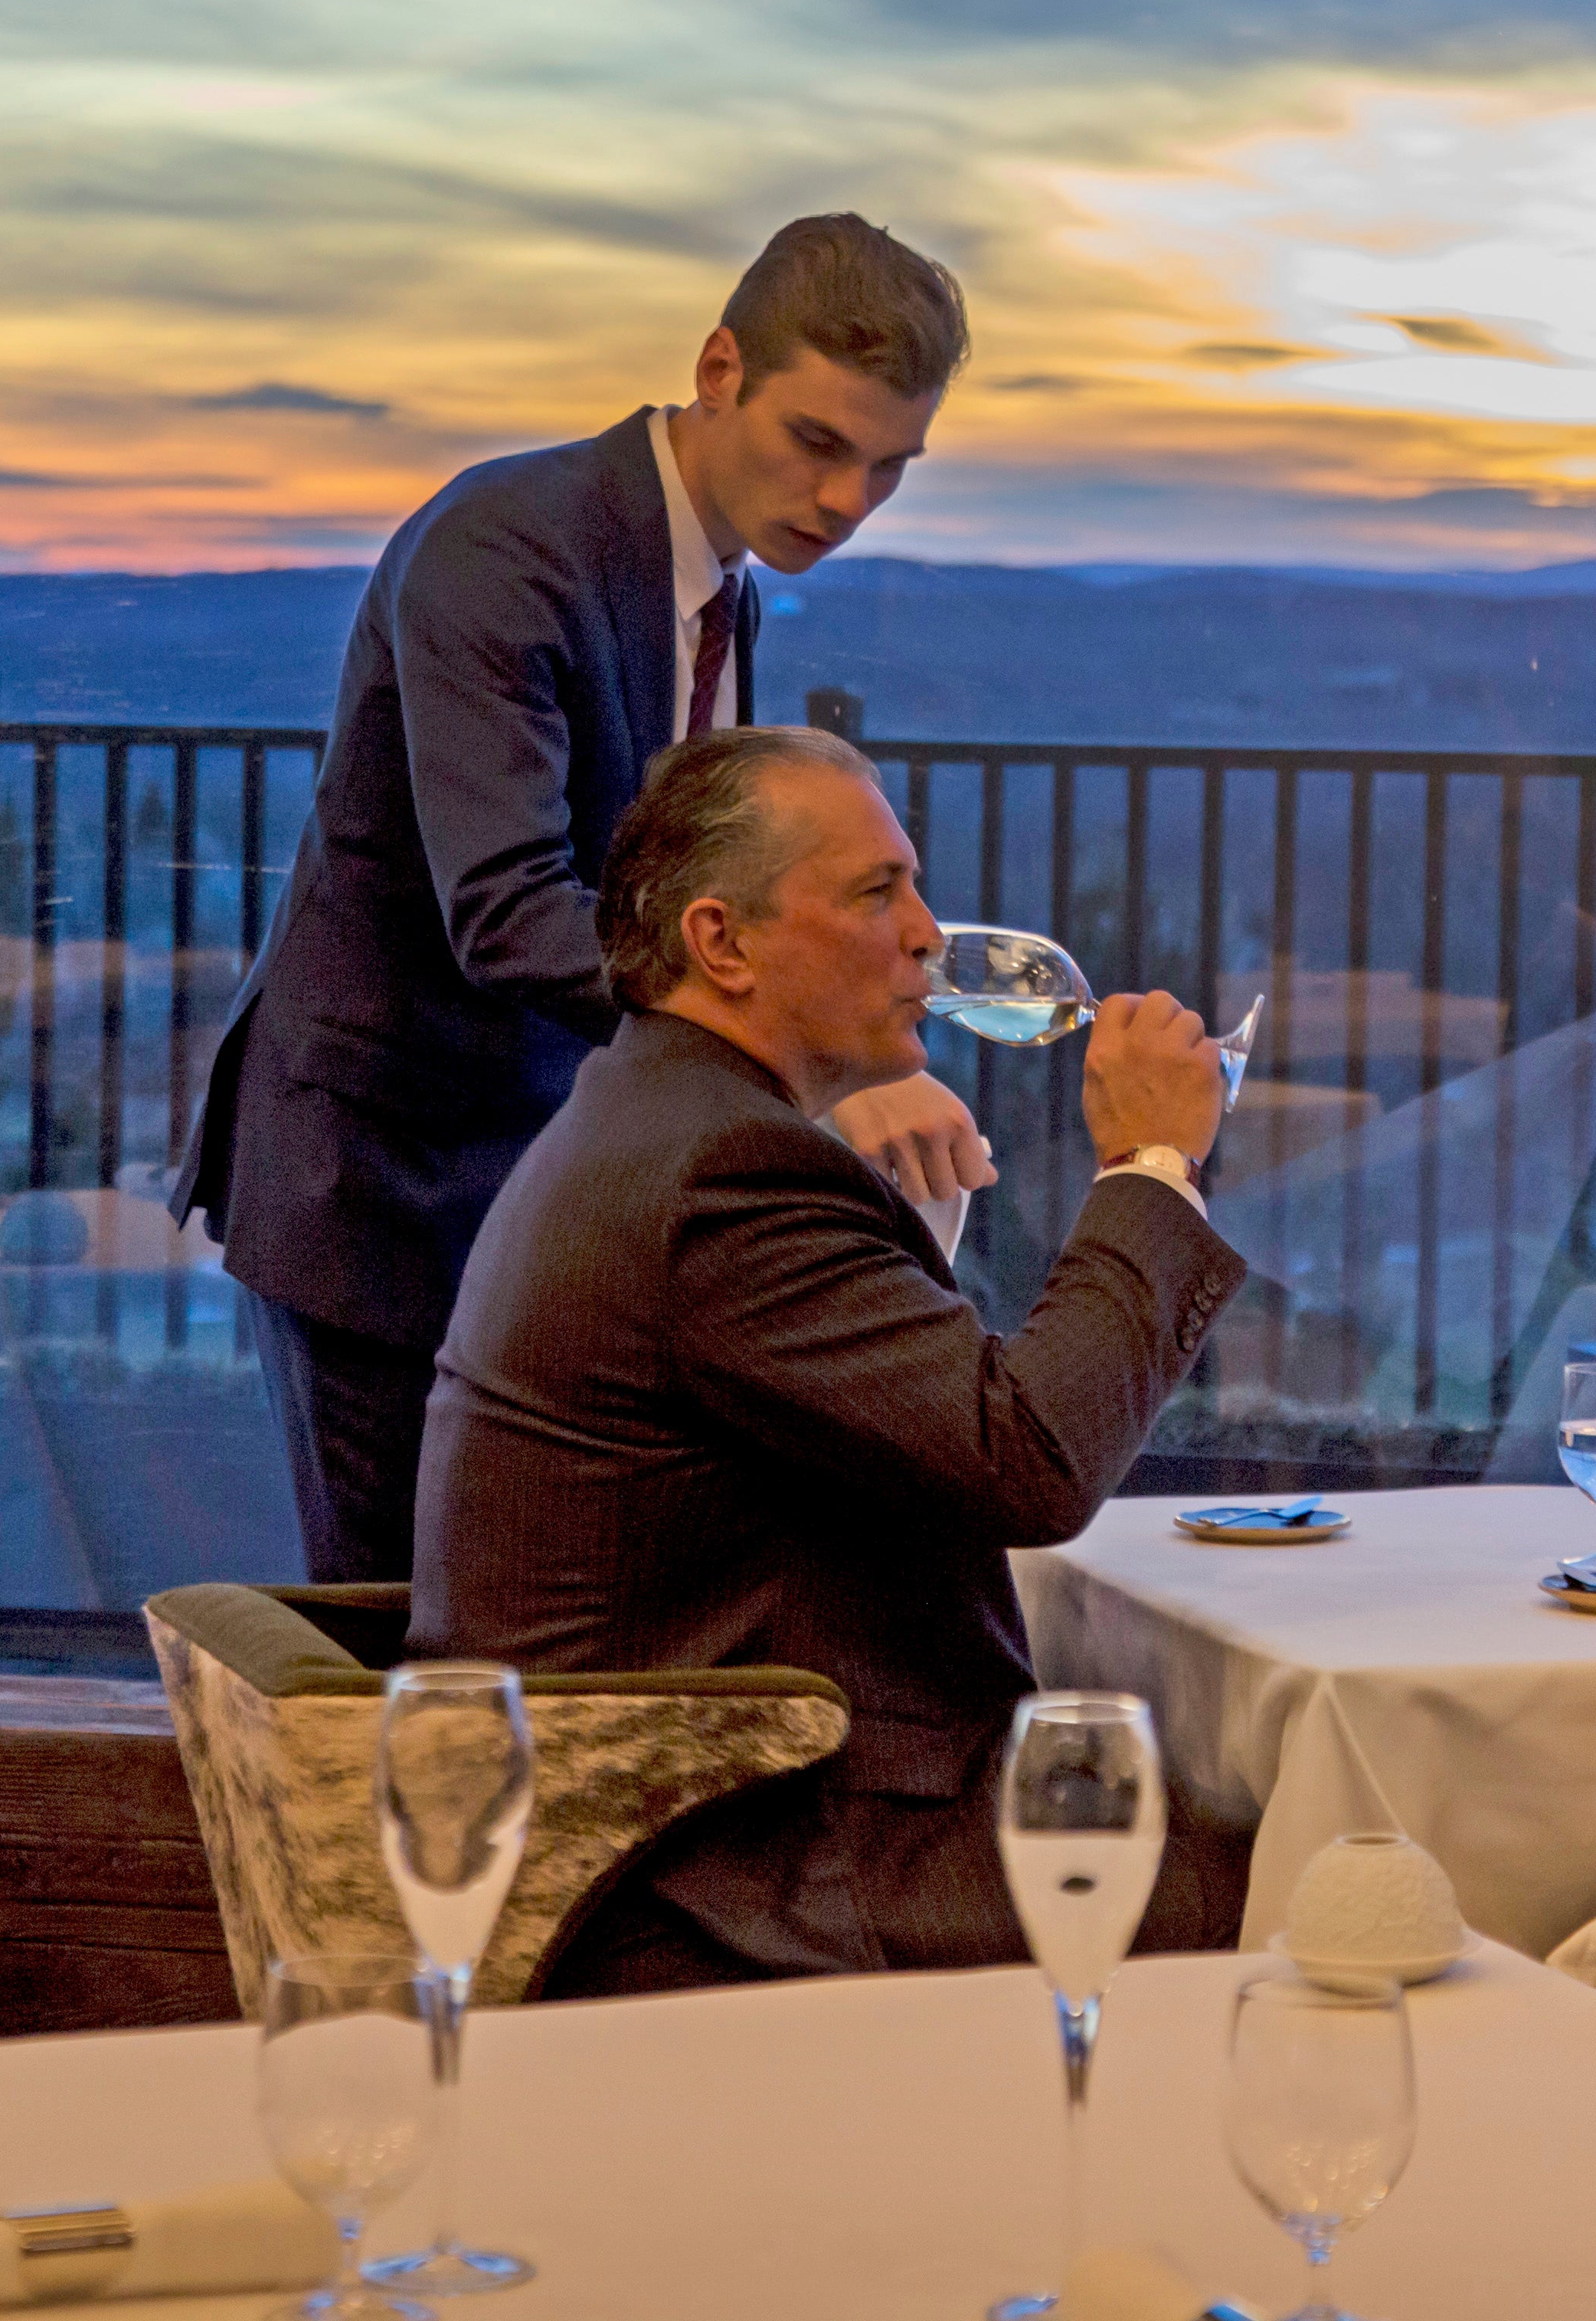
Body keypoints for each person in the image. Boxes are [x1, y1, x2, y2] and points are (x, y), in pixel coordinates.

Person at [174, 215, 996, 1582]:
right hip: (388, 1189)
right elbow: (509, 913)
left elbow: (687, 897)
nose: (849, 500)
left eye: (888, 468)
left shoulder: (720, 588)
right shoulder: (505, 549)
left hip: (544, 1191)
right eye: (819, 443)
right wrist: (807, 1054)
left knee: (543, 1652)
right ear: (718, 367)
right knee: (404, 1682)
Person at [411, 726, 1246, 1990]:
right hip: (728, 1876)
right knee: (1323, 1868)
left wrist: (922, 1256)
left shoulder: (662, 1119)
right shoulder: (727, 1171)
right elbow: (1031, 1461)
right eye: (875, 893)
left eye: (914, 884)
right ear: (721, 942)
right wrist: (1151, 1166)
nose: (925, 931)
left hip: (687, 1822)